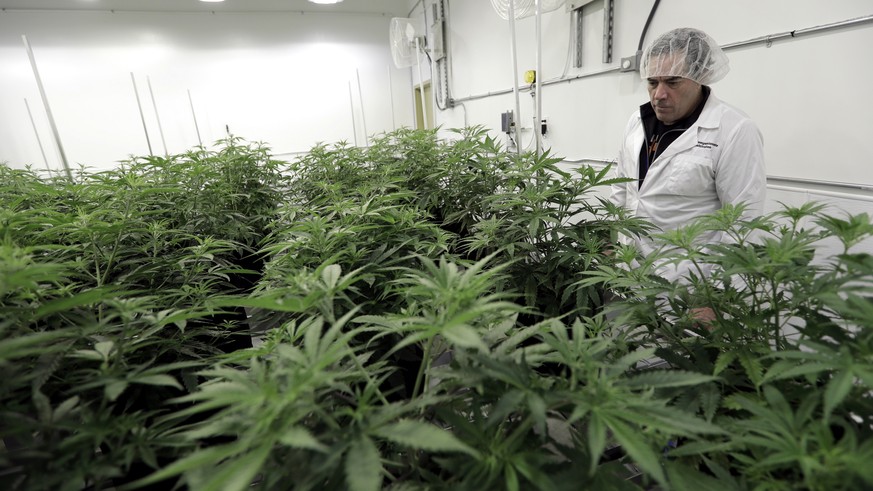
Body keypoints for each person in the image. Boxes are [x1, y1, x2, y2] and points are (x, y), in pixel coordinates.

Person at [610, 27, 766, 290]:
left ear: (700, 76)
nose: (659, 94)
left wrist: (712, 297)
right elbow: (621, 190)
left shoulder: (734, 130)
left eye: (672, 82)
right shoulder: (638, 122)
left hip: (688, 287)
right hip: (631, 276)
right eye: (652, 82)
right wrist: (607, 245)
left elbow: (743, 222)